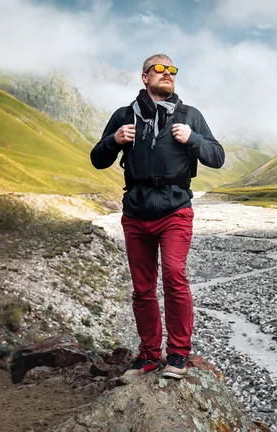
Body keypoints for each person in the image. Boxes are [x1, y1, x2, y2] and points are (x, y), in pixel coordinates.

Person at [90, 54, 225, 379]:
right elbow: (97, 159)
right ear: (144, 77)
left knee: (174, 276)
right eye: (160, 70)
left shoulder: (189, 115)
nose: (168, 74)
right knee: (142, 288)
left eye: (172, 70)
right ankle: (149, 355)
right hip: (135, 212)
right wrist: (114, 140)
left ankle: (177, 355)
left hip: (175, 209)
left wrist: (192, 139)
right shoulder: (124, 116)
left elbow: (217, 157)